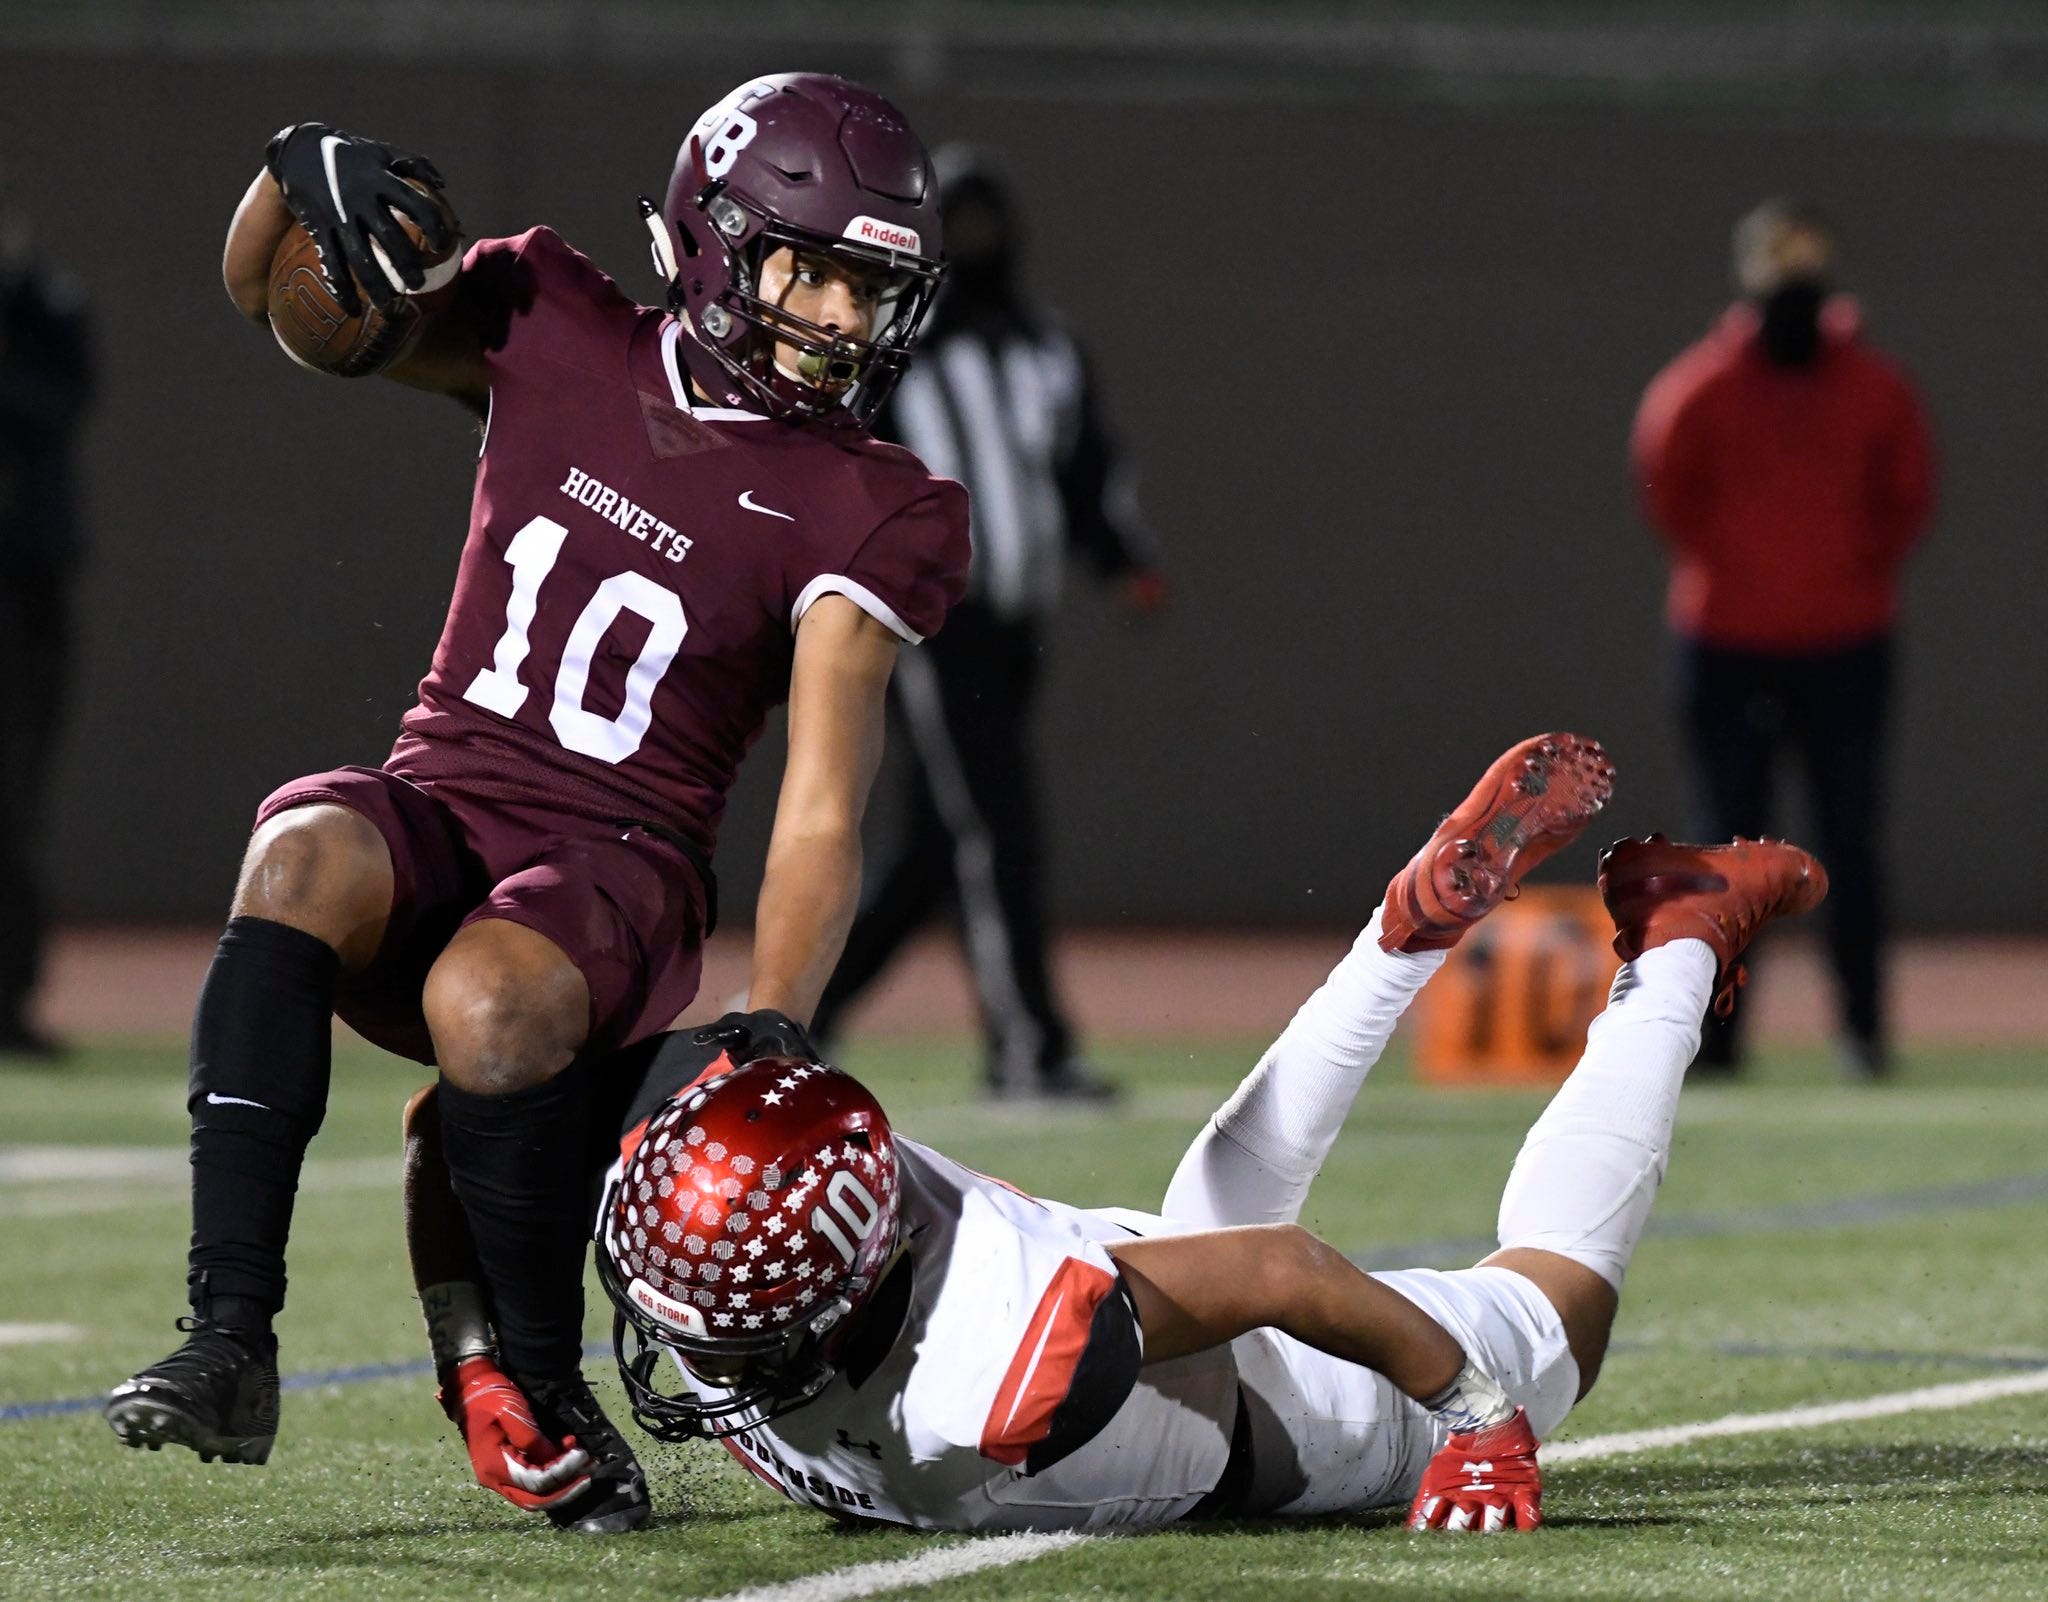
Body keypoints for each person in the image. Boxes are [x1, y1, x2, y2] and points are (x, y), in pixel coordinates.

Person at [103, 73, 970, 1535]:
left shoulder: (870, 499)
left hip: (623, 863)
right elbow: (283, 301)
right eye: (810, 270)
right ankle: (228, 1336)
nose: (839, 317)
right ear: (716, 243)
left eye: (867, 288)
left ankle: (546, 1384)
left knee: (488, 998)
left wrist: (778, 1010)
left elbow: (823, 803)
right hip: (446, 791)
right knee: (299, 850)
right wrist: (296, 171)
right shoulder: (554, 315)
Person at [404, 733, 1827, 1534]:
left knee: (1559, 1305)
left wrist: (1474, 1419)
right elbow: (451, 1127)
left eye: (730, 1337)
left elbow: (1276, 1273)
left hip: (1292, 1418)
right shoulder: (716, 1131)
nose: (695, 1356)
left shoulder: (986, 1381)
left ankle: (1680, 931)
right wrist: (478, 1365)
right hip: (1109, 1277)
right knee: (1189, 1249)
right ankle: (1393, 943)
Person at [809, 148, 1167, 1101]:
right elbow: (842, 469)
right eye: (956, 226)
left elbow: (1086, 466)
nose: (974, 243)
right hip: (935, 626)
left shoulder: (1046, 346)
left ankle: (793, 1015)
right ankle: (1028, 1048)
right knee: (998, 830)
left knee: (940, 846)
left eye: (985, 224)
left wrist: (1123, 561)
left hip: (1019, 631)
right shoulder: (892, 348)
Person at [1632, 198, 1932, 1078]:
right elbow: (1667, 491)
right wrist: (1742, 572)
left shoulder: (1877, 390)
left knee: (1849, 841)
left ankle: (1863, 1036)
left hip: (1846, 641)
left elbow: (1907, 497)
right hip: (1727, 644)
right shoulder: (1700, 389)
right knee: (1725, 850)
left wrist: (1843, 572)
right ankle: (1716, 1041)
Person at [0, 202, 93, 1060]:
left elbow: (61, 400)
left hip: (23, 590)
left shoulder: (40, 306)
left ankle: (8, 997)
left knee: (14, 795)